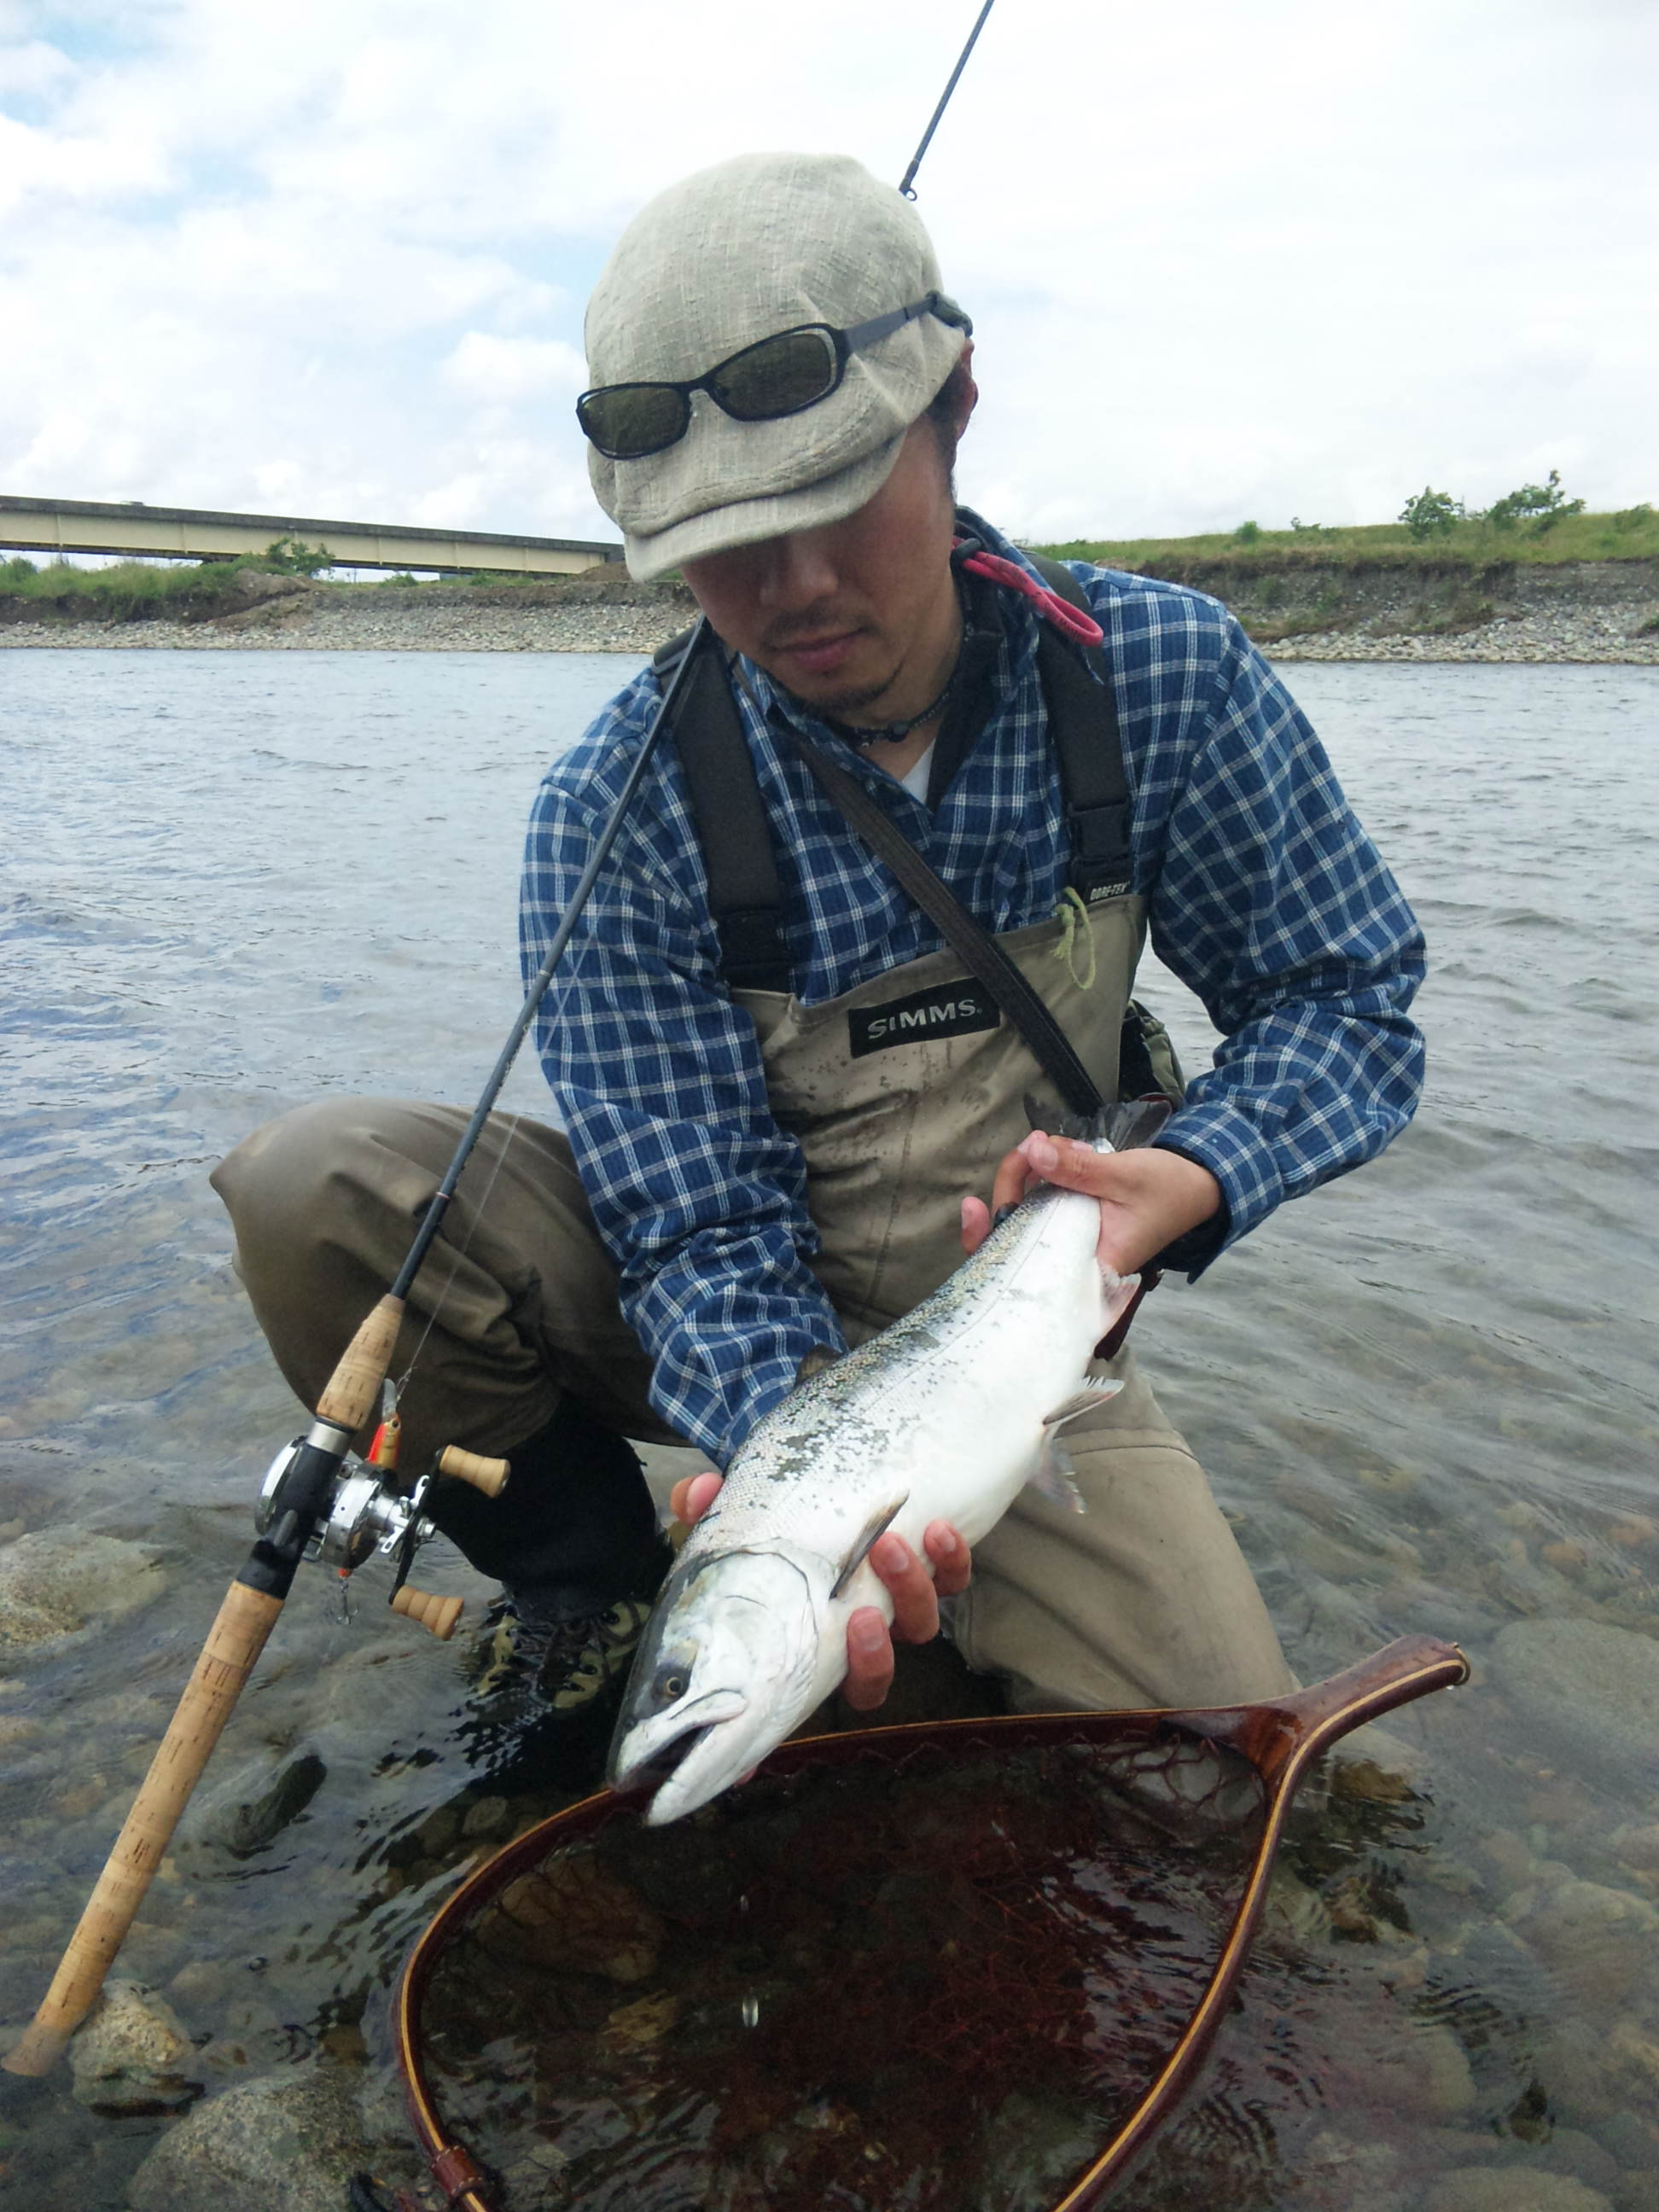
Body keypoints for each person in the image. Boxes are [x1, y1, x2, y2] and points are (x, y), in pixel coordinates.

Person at [212, 151, 1424, 1773]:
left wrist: (1191, 1175)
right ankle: (589, 1589)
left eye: (837, 501)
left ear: (957, 408)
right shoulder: (615, 813)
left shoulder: (1157, 678)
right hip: (725, 1318)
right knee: (317, 1191)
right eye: (723, 542)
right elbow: (696, 1222)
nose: (792, 590)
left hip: (1015, 1319)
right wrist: (783, 1477)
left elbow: (1347, 1003)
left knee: (1213, 1772)